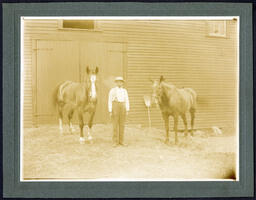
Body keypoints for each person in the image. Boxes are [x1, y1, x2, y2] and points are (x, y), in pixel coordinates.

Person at [108, 77, 130, 147]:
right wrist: (110, 110)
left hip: (122, 107)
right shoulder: (112, 90)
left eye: (120, 82)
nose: (119, 83)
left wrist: (127, 109)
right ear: (116, 83)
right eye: (118, 82)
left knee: (122, 124)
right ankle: (115, 141)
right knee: (115, 125)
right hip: (115, 106)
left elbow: (127, 100)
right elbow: (109, 101)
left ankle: (121, 141)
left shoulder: (124, 91)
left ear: (122, 83)